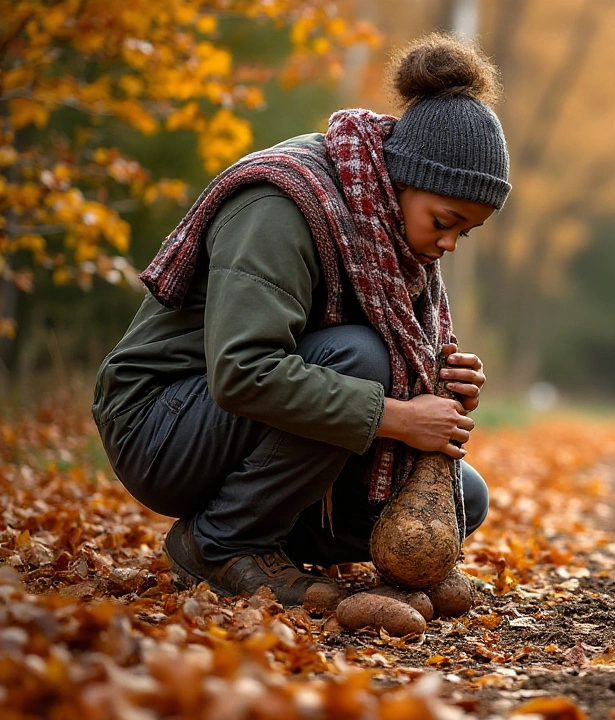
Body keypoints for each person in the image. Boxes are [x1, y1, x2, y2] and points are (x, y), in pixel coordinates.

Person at [90, 34, 508, 610]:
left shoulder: (387, 232)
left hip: (240, 427)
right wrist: (398, 417)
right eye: (445, 220)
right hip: (161, 426)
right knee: (363, 358)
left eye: (466, 232)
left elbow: (389, 359)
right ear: (402, 178)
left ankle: (271, 540)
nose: (450, 243)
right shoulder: (284, 204)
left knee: (468, 499)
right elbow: (242, 371)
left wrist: (441, 382)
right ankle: (222, 543)